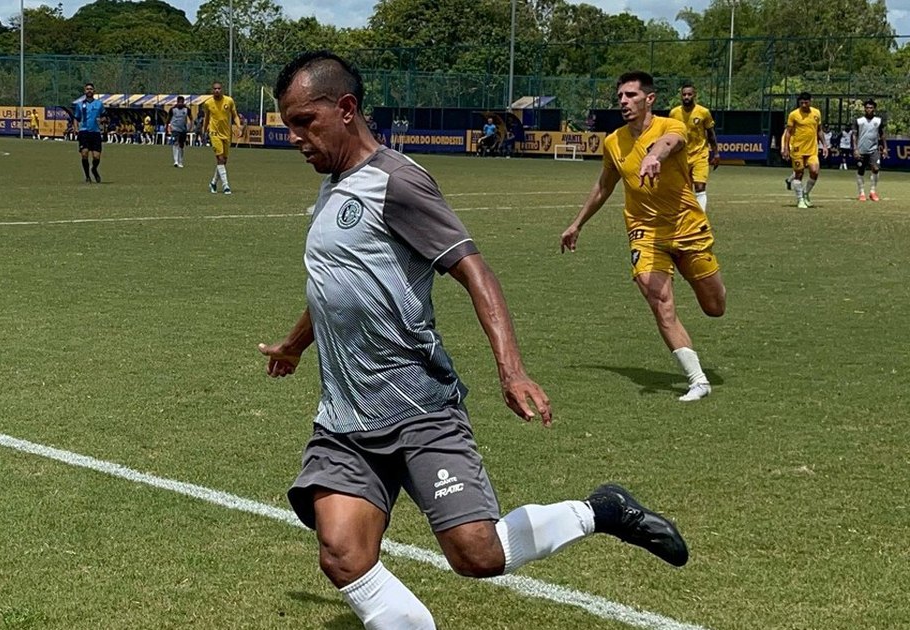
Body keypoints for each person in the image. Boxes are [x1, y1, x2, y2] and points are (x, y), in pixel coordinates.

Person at [264, 51, 689, 630]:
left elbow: (475, 271)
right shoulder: (335, 186)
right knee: (343, 554)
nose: (293, 136)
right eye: (287, 123)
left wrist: (511, 370)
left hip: (417, 408)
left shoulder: (397, 181)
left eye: (302, 121)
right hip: (344, 418)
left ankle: (601, 510)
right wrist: (295, 345)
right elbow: (337, 289)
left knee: (478, 555)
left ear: (345, 109)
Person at [561, 70, 726, 403]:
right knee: (660, 303)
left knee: (715, 306)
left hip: (687, 227)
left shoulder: (671, 125)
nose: (623, 101)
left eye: (631, 95)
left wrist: (654, 155)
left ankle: (711, 286)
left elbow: (671, 143)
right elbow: (605, 186)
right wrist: (577, 223)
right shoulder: (613, 141)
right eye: (620, 96)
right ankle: (697, 380)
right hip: (645, 232)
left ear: (649, 99)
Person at [668, 83, 719, 211]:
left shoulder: (703, 112)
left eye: (689, 94)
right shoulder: (674, 113)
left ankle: (701, 216)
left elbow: (711, 134)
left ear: (694, 95)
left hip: (700, 154)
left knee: (700, 186)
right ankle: (685, 215)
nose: (686, 97)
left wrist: (716, 153)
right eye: (684, 94)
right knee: (684, 188)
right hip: (682, 156)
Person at [781, 92, 828, 209]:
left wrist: (825, 146)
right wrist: (785, 148)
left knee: (815, 171)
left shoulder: (816, 113)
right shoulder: (794, 115)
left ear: (810, 102)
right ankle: (800, 200)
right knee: (799, 173)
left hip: (812, 150)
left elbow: (819, 130)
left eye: (806, 102)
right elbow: (788, 133)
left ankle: (806, 193)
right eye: (801, 103)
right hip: (797, 150)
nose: (803, 105)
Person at [202, 81, 242, 194]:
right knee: (219, 159)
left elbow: (235, 115)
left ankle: (213, 183)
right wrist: (204, 131)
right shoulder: (208, 103)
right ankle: (226, 186)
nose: (217, 91)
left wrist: (239, 127)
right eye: (215, 89)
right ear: (212, 90)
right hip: (214, 133)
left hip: (226, 134)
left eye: (219, 88)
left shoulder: (229, 101)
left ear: (222, 90)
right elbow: (206, 118)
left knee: (223, 161)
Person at [852, 99, 888, 201]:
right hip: (861, 150)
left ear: (874, 109)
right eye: (867, 107)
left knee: (876, 168)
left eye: (871, 108)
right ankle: (862, 193)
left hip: (874, 149)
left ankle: (872, 192)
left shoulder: (878, 121)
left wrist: (885, 148)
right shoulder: (859, 121)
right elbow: (854, 135)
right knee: (861, 171)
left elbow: (882, 134)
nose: (869, 109)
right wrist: (855, 149)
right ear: (864, 109)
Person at [74, 82, 105, 183]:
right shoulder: (80, 105)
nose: (89, 91)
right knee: (84, 154)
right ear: (84, 91)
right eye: (87, 89)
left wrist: (102, 121)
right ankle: (87, 176)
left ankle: (94, 169)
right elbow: (76, 118)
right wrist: (76, 128)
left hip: (95, 132)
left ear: (94, 91)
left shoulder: (99, 104)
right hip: (84, 132)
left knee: (96, 156)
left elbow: (104, 116)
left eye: (91, 89)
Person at [167, 95, 191, 168]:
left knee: (181, 145)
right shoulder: (172, 109)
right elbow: (168, 119)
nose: (180, 103)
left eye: (182, 102)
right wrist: (167, 127)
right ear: (177, 102)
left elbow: (191, 118)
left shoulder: (187, 110)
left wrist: (190, 126)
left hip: (183, 129)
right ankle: (176, 161)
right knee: (175, 143)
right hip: (175, 129)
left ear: (183, 102)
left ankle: (180, 161)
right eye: (179, 102)